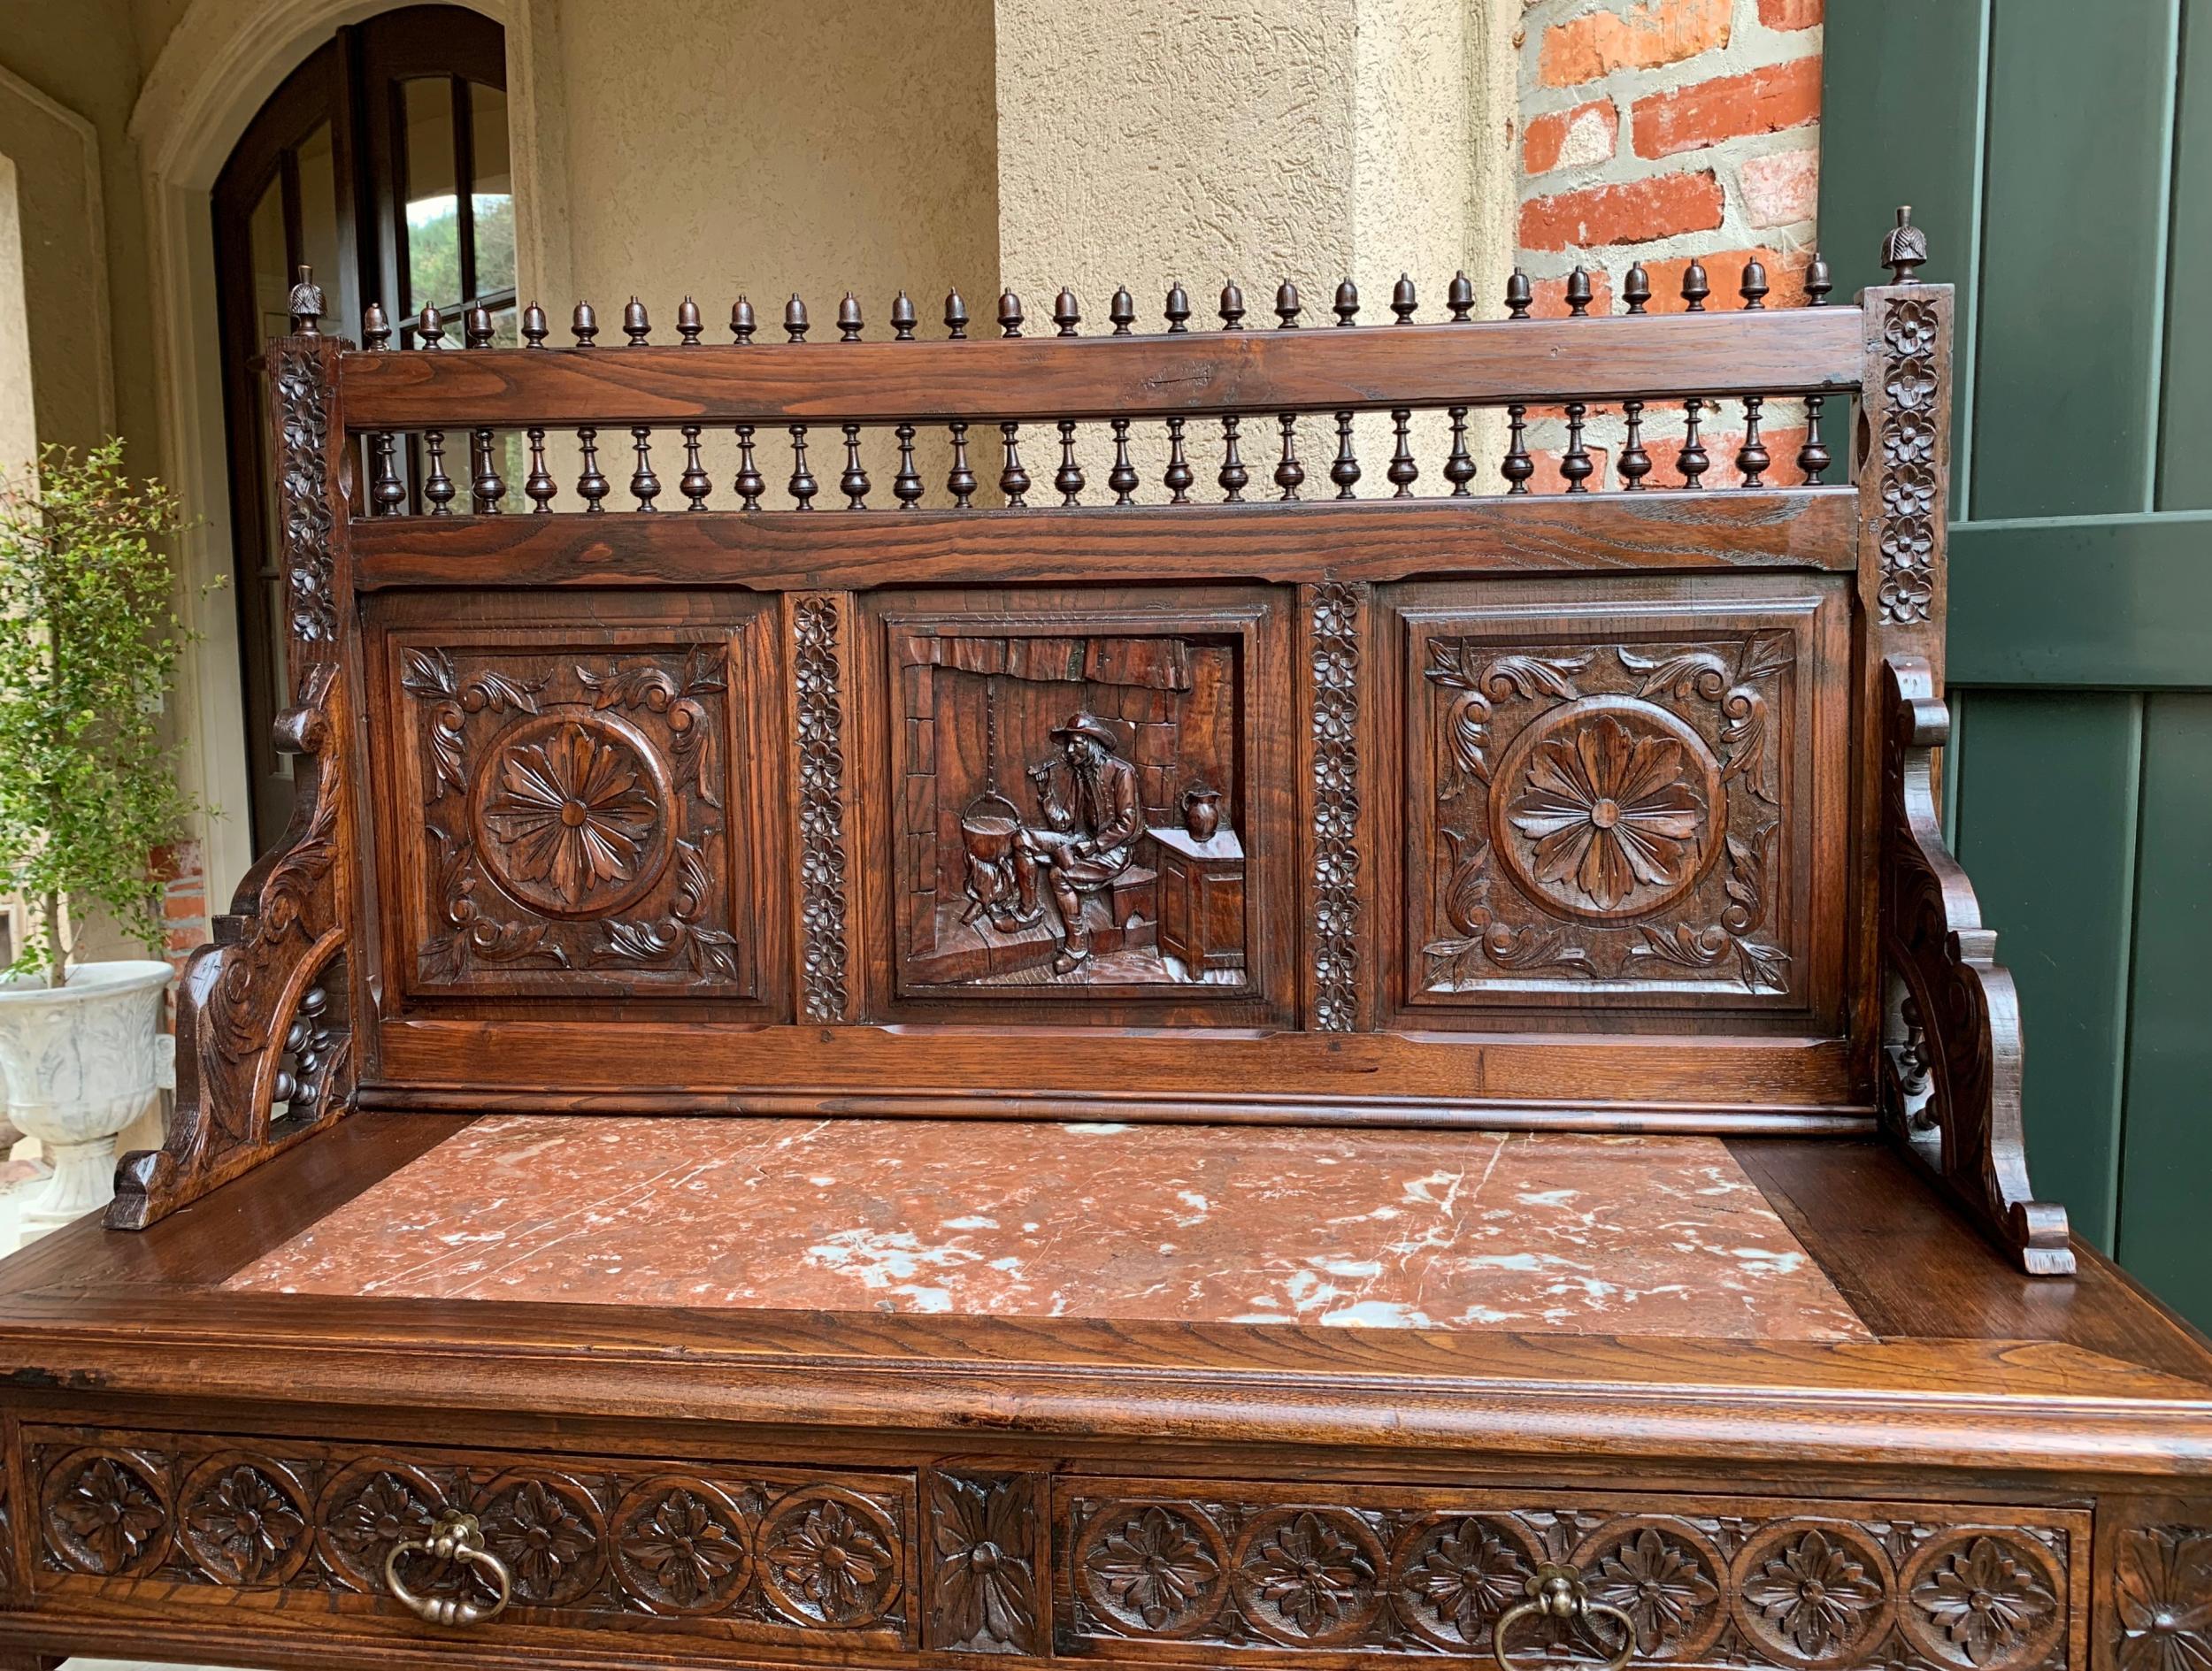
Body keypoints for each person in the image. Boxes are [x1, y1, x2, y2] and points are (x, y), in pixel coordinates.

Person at [1015, 712, 1141, 974]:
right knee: (1022, 840)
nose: (1070, 750)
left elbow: (1127, 825)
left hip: (1114, 850)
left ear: (1091, 743)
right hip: (1083, 840)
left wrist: (1093, 846)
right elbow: (1063, 824)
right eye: (1069, 745)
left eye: (1076, 744)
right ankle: (1029, 911)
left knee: (1059, 874)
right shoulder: (1080, 774)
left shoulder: (1121, 772)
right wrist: (1046, 793)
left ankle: (1077, 947)